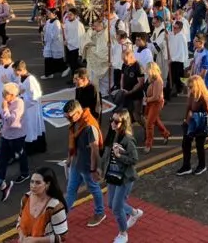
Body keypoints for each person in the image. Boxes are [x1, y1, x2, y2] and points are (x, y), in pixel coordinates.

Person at [64, 99, 107, 227]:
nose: (68, 120)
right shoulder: (76, 122)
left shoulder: (89, 126)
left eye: (70, 117)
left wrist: (93, 169)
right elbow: (74, 141)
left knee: (94, 188)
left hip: (87, 165)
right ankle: (62, 216)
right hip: (77, 162)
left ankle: (100, 213)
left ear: (78, 112)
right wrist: (70, 157)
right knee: (71, 189)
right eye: (66, 118)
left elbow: (95, 149)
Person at [104, 109, 142, 243]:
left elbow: (134, 159)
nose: (113, 124)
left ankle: (123, 233)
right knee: (111, 204)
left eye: (116, 121)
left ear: (124, 123)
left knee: (116, 207)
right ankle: (134, 213)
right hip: (113, 175)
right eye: (111, 120)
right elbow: (108, 155)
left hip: (124, 178)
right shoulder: (114, 134)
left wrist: (120, 156)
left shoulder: (128, 139)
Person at [15, 167, 69, 243]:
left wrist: (35, 240)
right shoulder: (26, 198)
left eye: (38, 182)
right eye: (32, 181)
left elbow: (62, 237)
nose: (33, 186)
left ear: (47, 184)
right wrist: (21, 236)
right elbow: (19, 220)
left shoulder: (55, 207)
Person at [177, 75, 208, 176]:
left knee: (199, 145)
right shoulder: (191, 96)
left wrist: (198, 117)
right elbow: (188, 108)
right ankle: (186, 166)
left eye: (191, 87)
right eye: (188, 86)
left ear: (197, 86)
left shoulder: (204, 98)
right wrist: (185, 120)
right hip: (190, 123)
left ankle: (202, 165)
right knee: (185, 143)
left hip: (201, 124)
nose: (189, 89)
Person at [0, 83, 30, 185]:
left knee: (20, 155)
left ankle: (25, 173)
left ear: (12, 95)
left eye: (5, 94)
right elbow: (5, 115)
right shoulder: (7, 102)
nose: (3, 95)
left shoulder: (19, 104)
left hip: (16, 136)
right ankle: (0, 178)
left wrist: (5, 109)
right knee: (2, 157)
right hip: (6, 134)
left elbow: (11, 121)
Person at [13, 61, 47, 155]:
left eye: (15, 71)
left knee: (32, 128)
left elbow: (35, 97)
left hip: (31, 110)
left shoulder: (30, 80)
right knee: (28, 128)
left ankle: (33, 148)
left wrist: (22, 98)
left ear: (20, 70)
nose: (14, 73)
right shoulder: (21, 77)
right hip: (26, 108)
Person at [116, 50, 147, 135]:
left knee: (137, 116)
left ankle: (147, 129)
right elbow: (122, 78)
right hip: (126, 94)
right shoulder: (124, 65)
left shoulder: (138, 66)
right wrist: (122, 89)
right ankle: (128, 134)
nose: (124, 62)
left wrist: (130, 91)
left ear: (131, 57)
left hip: (136, 94)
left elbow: (140, 83)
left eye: (125, 60)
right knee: (126, 115)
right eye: (123, 60)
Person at [143, 61, 171, 153]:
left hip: (155, 103)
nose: (146, 71)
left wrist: (146, 99)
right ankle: (165, 133)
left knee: (149, 123)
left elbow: (156, 97)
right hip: (151, 103)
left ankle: (148, 144)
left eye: (147, 70)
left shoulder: (158, 80)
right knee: (155, 120)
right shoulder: (152, 79)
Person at [41, 9, 66, 79]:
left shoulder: (57, 22)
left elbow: (56, 34)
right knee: (47, 58)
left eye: (50, 13)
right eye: (48, 12)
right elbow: (45, 29)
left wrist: (50, 38)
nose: (48, 14)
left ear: (55, 14)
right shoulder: (48, 21)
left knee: (57, 59)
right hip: (48, 43)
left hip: (55, 44)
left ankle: (65, 68)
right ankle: (48, 74)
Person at [63, 7, 85, 82]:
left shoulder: (78, 25)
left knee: (75, 64)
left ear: (75, 16)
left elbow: (78, 38)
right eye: (68, 14)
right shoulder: (67, 22)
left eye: (70, 14)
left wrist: (68, 42)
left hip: (76, 47)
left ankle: (75, 78)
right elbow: (66, 32)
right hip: (68, 46)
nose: (68, 16)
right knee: (70, 63)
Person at [168, 20, 189, 97]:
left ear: (180, 29)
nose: (174, 29)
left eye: (176, 28)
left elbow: (181, 51)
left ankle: (178, 90)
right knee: (174, 76)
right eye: (173, 27)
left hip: (179, 60)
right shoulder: (172, 34)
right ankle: (174, 90)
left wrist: (172, 59)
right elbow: (168, 40)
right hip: (172, 59)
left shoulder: (181, 37)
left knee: (177, 77)